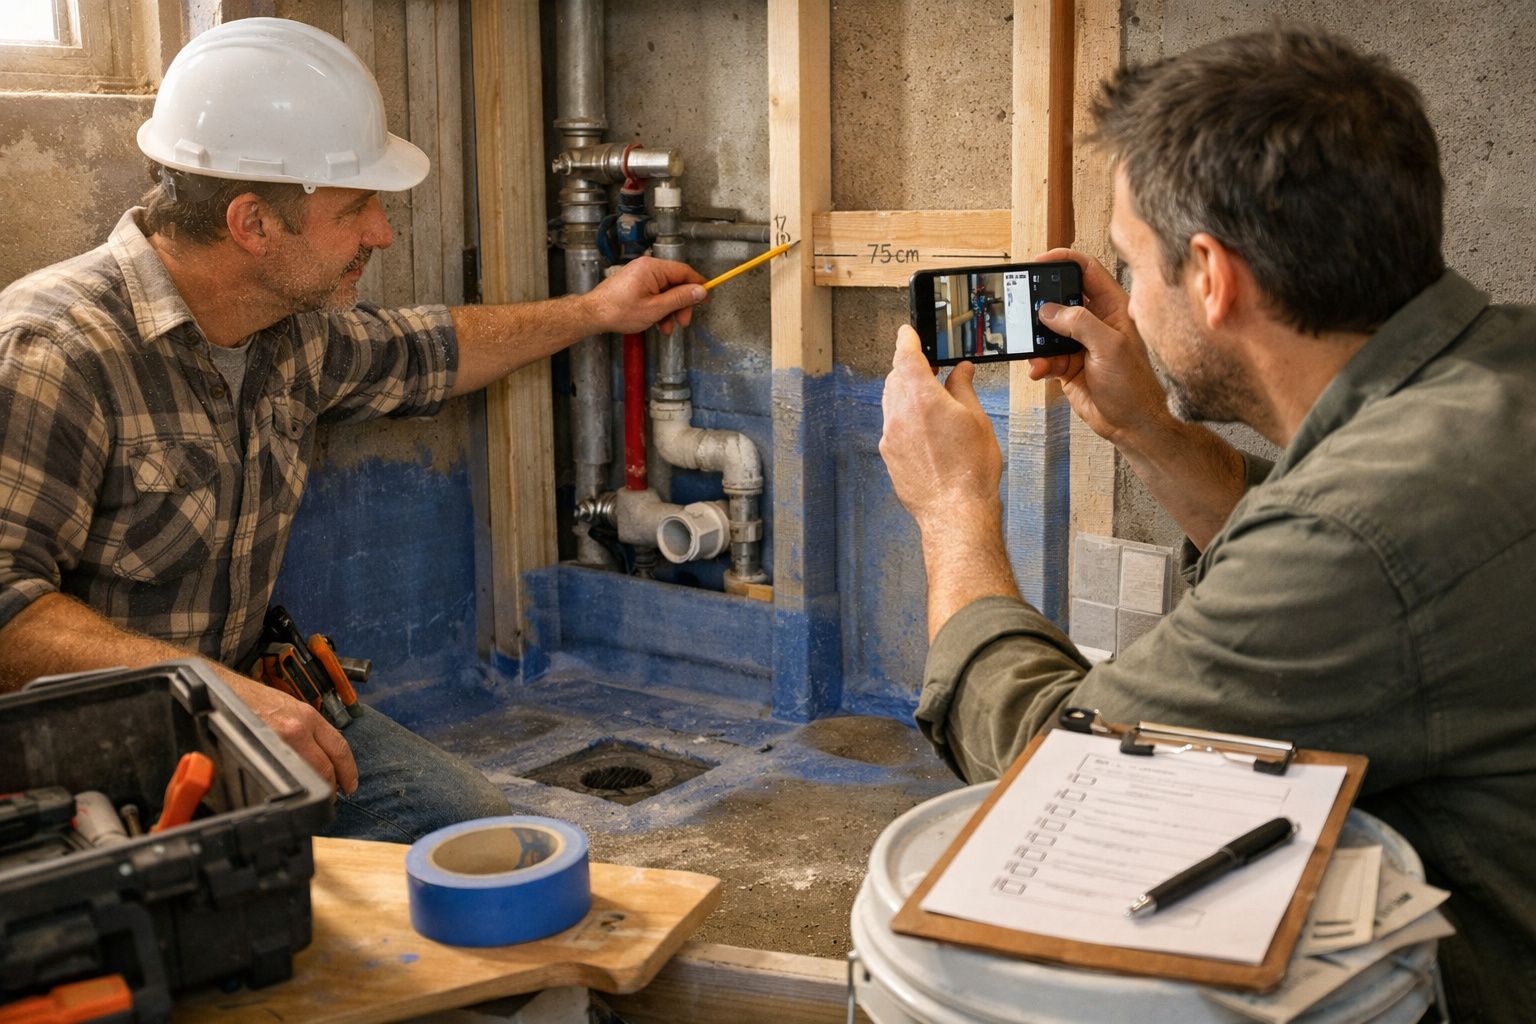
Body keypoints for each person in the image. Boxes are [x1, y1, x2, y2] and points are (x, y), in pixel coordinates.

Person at [880, 27, 1534, 1021]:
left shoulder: (1360, 537)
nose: (1128, 301)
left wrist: (953, 511)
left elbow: (1063, 772)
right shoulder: (1493, 375)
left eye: (1132, 266)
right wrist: (1152, 431)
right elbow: (1345, 548)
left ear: (1212, 276)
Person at [0, 18, 706, 842]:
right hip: (82, 754)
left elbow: (431, 349)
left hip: (249, 709)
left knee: (476, 841)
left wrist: (596, 310)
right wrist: (219, 696)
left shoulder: (286, 334)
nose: (382, 232)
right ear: (252, 224)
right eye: (356, 207)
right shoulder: (50, 353)